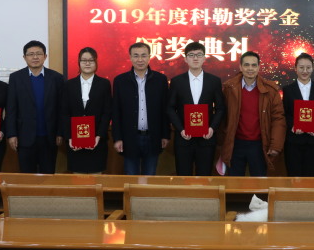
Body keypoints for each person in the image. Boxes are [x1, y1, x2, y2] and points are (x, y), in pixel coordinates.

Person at [219, 51, 286, 177]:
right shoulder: (229, 88)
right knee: (234, 184)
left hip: (260, 146)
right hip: (235, 145)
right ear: (240, 67)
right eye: (246, 65)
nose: (250, 69)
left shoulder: (270, 90)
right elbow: (222, 116)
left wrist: (276, 145)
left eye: (254, 65)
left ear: (259, 67)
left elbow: (278, 118)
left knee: (259, 184)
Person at [167, 42, 226, 176]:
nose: (195, 58)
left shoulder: (214, 81)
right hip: (184, 138)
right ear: (185, 59)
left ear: (204, 58)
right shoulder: (176, 81)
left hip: (206, 138)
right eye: (191, 55)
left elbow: (220, 108)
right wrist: (181, 129)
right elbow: (170, 108)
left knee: (204, 177)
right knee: (183, 176)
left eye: (199, 55)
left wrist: (212, 128)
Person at [6, 40, 64, 174]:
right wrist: (12, 134)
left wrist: (60, 132)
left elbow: (61, 108)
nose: (35, 57)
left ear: (45, 56)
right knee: (27, 176)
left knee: (48, 176)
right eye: (31, 54)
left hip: (49, 137)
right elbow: (11, 109)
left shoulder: (57, 78)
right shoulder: (16, 78)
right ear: (24, 57)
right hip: (24, 137)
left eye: (39, 54)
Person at [112, 42, 170, 175]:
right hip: (129, 138)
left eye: (143, 55)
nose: (140, 59)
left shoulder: (160, 80)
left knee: (149, 178)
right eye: (136, 56)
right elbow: (116, 112)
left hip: (153, 137)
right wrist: (117, 138)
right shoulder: (120, 81)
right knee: (131, 178)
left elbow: (164, 110)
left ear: (149, 57)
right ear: (130, 57)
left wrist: (165, 135)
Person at [61, 47, 111, 174]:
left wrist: (99, 136)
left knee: (96, 179)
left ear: (96, 62)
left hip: (97, 141)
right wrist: (70, 138)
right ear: (79, 62)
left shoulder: (104, 84)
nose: (87, 63)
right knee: (77, 180)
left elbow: (107, 113)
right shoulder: (69, 85)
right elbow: (65, 113)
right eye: (84, 60)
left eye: (91, 60)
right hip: (75, 143)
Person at [282, 53, 314, 177]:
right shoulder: (288, 89)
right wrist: (293, 126)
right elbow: (285, 113)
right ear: (295, 68)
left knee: (310, 176)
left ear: (313, 68)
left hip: (313, 140)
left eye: (308, 67)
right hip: (293, 140)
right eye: (301, 67)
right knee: (293, 175)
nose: (305, 71)